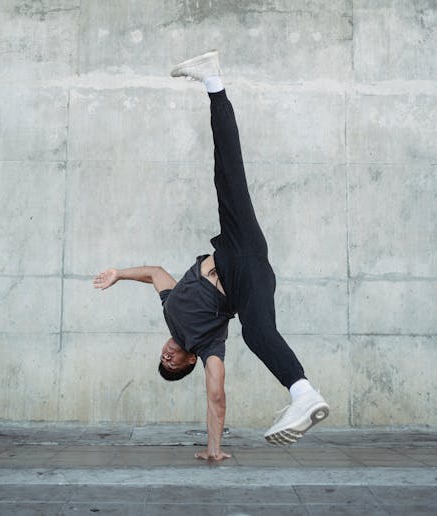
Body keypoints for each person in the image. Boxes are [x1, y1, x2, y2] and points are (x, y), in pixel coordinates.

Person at [94, 50, 329, 461]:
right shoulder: (208, 346)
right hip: (246, 272)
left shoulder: (170, 311)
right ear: (188, 364)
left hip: (235, 248)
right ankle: (304, 394)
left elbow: (154, 272)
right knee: (257, 334)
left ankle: (303, 394)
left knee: (226, 169)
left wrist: (119, 274)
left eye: (163, 360)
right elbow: (216, 396)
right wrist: (213, 449)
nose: (168, 358)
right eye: (174, 366)